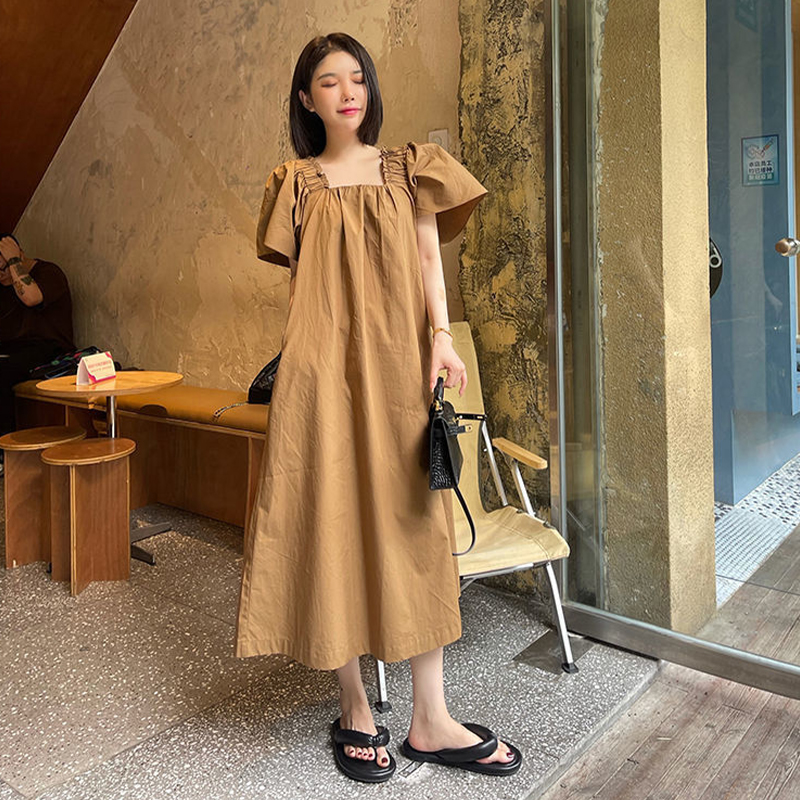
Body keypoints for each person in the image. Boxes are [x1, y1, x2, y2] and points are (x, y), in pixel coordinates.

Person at [235, 33, 522, 783]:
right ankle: (355, 706)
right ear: (306, 100)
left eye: (357, 78)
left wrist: (441, 339)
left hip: (401, 366)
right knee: (326, 518)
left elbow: (429, 261)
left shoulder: (409, 168)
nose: (347, 92)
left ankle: (431, 716)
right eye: (329, 82)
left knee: (413, 523)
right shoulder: (294, 183)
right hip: (319, 374)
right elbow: (304, 287)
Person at [0, 234, 75, 443]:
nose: (1, 276)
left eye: (3, 268)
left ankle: (4, 447)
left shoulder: (48, 273)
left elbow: (31, 298)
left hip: (48, 350)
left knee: (3, 371)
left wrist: (13, 261)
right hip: (13, 350)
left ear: (20, 255)